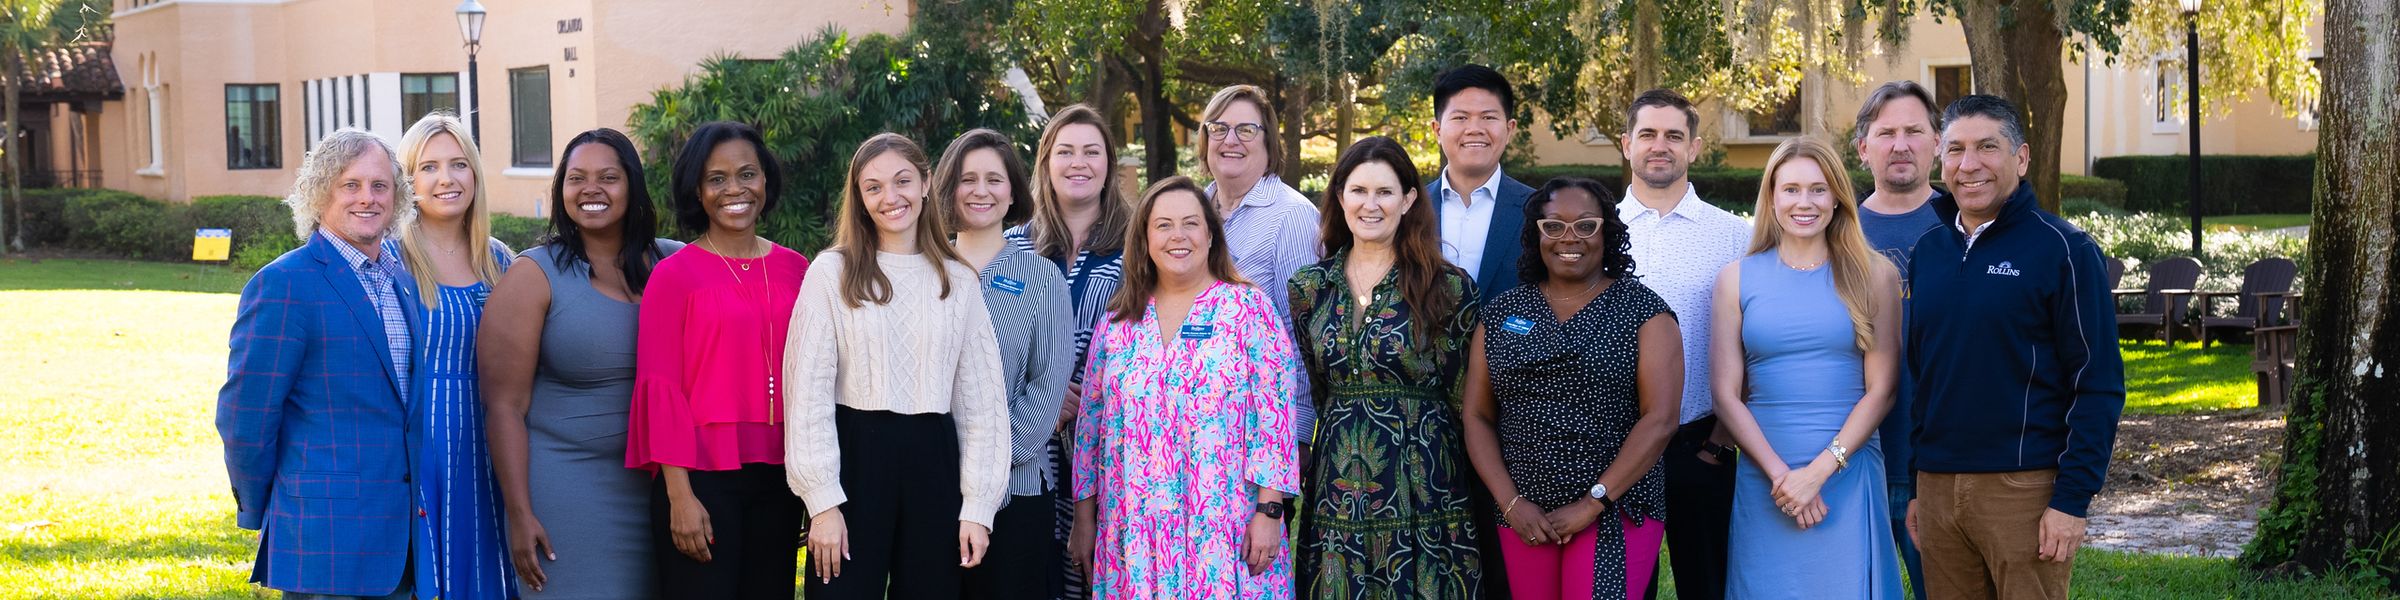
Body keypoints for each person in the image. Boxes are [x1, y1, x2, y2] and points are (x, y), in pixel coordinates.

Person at [1906, 94, 2124, 600]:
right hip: (1938, 486)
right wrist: (1920, 486)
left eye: (1988, 147)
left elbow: (2099, 385)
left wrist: (2072, 501)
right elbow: (1925, 376)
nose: (1969, 164)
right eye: (1955, 149)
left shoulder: (2065, 250)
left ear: (2021, 159)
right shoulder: (1929, 253)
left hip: (2023, 489)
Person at [784, 132, 1012, 598]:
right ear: (860, 198)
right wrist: (822, 503)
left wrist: (978, 508)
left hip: (934, 462)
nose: (890, 198)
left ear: (926, 183)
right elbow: (807, 394)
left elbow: (982, 404)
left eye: (902, 181)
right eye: (873, 187)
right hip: (855, 462)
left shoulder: (957, 281)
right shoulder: (832, 273)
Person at [217, 128, 435, 599]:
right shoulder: (284, 284)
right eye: (350, 185)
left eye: (380, 186)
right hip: (321, 540)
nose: (367, 198)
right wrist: (267, 508)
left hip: (402, 547)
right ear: (320, 194)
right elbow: (245, 418)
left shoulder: (401, 279)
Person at [1068, 176, 1301, 598]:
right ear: (1144, 237)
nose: (1178, 236)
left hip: (1226, 528)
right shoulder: (1118, 323)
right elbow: (1089, 430)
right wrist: (1084, 520)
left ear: (1211, 234)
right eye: (1163, 225)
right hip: (1133, 534)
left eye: (1191, 223)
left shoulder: (1248, 310)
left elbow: (1276, 419)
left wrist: (1270, 511)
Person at [482, 128, 683, 598]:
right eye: (577, 178)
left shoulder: (675, 264)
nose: (591, 189)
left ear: (632, 185)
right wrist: (519, 514)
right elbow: (503, 406)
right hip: (569, 492)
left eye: (608, 177)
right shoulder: (533, 276)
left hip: (667, 492)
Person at [1462, 177, 1679, 600]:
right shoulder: (1505, 310)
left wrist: (1592, 503)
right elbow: (1477, 415)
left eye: (1585, 226)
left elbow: (1661, 420)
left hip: (1615, 507)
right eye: (1553, 226)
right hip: (1525, 513)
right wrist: (1511, 504)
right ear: (1536, 234)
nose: (1569, 238)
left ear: (1607, 232)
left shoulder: (1645, 312)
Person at [1290, 136, 1485, 598]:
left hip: (1424, 477)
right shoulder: (1309, 288)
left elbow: (1465, 397)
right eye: (1358, 191)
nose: (1370, 204)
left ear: (1409, 199)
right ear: (1340, 197)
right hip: (1338, 476)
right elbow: (1318, 388)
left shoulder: (1449, 287)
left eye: (1385, 192)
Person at [1712, 137, 1905, 597]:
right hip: (1765, 473)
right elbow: (1724, 393)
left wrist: (1817, 472)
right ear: (1771, 197)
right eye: (1791, 189)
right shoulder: (1735, 279)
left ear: (1837, 197)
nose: (1805, 202)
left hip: (1848, 469)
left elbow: (1882, 390)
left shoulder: (1875, 275)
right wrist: (1784, 478)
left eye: (1818, 190)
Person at [625, 121, 810, 599]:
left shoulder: (797, 269)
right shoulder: (674, 275)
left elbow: (813, 377)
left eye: (747, 174)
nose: (735, 189)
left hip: (782, 477)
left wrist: (816, 486)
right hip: (701, 481)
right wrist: (679, 497)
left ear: (765, 180)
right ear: (698, 190)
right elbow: (659, 387)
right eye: (717, 178)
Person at [1614, 88, 1751, 600]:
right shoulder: (1595, 232)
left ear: (1694, 148)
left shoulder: (1733, 236)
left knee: (1710, 585)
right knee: (1623, 588)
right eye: (1647, 134)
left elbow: (1752, 340)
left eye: (1674, 135)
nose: (1660, 145)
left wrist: (1721, 439)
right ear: (1627, 144)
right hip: (1614, 447)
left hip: (1701, 446)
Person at [935, 129, 1078, 600]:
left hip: (1015, 492)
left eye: (994, 179)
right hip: (930, 488)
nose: (981, 190)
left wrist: (981, 468)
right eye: (967, 178)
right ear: (947, 188)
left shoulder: (1040, 277)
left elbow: (1046, 390)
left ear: (1013, 191)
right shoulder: (925, 271)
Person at [386, 112, 516, 600]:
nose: (446, 179)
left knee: (487, 559)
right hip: (420, 439)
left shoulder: (499, 260)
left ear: (475, 175)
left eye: (459, 165)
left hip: (488, 435)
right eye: (429, 167)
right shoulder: (390, 259)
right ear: (408, 180)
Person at [1007, 103, 1134, 600]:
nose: (1078, 162)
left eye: (1091, 151)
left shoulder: (1140, 247)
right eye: (1065, 151)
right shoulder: (1012, 248)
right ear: (1045, 162)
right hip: (1027, 449)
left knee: (1099, 573)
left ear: (1109, 164)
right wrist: (1044, 402)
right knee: (1036, 574)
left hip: (1113, 447)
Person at [1851, 80, 1948, 599]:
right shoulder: (1834, 231)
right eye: (1885, 132)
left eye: (1915, 130)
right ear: (1863, 146)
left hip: (1942, 464)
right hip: (1853, 460)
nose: (1901, 144)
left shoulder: (1966, 224)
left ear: (1936, 141)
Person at [1195, 84, 1321, 456]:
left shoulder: (1291, 216)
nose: (1230, 140)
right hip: (1192, 421)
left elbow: (1305, 335)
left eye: (1246, 130)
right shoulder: (1194, 210)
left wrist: (1296, 434)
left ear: (1269, 143)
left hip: (1259, 428)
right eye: (1218, 128)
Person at [1428, 64, 1538, 302]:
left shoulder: (1539, 210)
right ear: (1437, 130)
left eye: (1488, 117)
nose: (1474, 129)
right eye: (1460, 118)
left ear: (1509, 130)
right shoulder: (1409, 209)